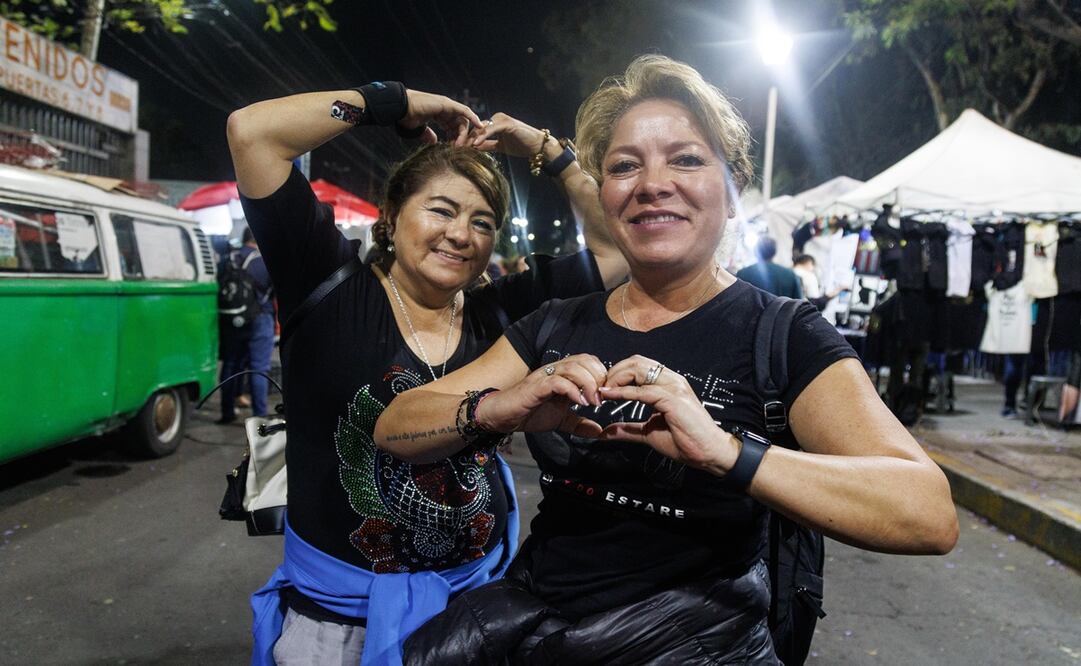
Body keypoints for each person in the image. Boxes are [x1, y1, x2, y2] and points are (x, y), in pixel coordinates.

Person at [373, 55, 958, 663]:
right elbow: (394, 426)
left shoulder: (783, 334)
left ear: (733, 191)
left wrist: (726, 452)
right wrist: (500, 406)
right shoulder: (557, 321)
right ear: (605, 196)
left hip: (696, 645)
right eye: (625, 166)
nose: (652, 183)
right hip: (543, 635)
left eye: (686, 159)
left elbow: (927, 512)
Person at [227, 82, 626, 665]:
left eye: (483, 222)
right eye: (441, 209)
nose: (461, 234)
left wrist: (547, 151)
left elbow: (615, 253)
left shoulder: (502, 310)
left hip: (477, 611)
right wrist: (392, 101)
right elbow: (253, 132)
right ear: (390, 217)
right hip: (337, 628)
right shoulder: (326, 284)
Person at [217, 227, 274, 424]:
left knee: (231, 364)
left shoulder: (227, 259)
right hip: (260, 317)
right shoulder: (264, 261)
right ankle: (260, 419)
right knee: (258, 368)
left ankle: (227, 412)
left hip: (231, 318)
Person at [736, 235, 803, 298]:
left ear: (756, 251)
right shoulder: (790, 275)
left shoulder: (742, 274)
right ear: (774, 252)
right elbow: (799, 303)